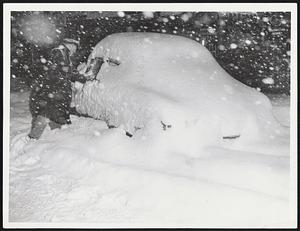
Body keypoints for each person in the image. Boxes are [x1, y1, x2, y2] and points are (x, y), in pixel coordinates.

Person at [28, 38, 87, 140]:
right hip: (51, 90)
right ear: (70, 44)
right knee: (46, 113)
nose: (76, 50)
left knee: (54, 113)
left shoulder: (64, 53)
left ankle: (55, 137)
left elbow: (65, 71)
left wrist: (75, 76)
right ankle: (33, 138)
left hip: (54, 90)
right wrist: (77, 76)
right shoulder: (59, 52)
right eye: (76, 47)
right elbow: (59, 71)